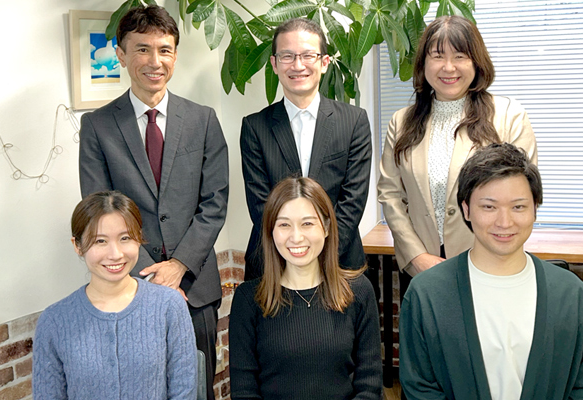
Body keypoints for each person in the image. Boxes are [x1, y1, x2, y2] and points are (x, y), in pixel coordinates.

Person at [78, 6, 228, 399]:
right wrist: (152, 276)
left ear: (175, 56)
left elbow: (215, 202)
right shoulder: (97, 127)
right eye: (142, 50)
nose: (154, 61)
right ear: (122, 55)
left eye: (164, 50)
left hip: (195, 289)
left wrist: (178, 267)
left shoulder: (204, 120)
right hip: (127, 286)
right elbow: (99, 211)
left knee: (197, 388)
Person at [399, 143, 583, 399]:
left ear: (535, 208)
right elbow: (420, 389)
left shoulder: (570, 294)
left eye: (518, 207)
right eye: (489, 207)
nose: (504, 222)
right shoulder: (427, 294)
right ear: (466, 209)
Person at [378, 15, 537, 277]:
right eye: (438, 56)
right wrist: (416, 257)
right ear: (424, 63)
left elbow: (522, 197)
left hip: (489, 264)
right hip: (422, 271)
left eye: (460, 56)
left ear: (477, 61)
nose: (448, 67)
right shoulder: (402, 121)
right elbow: (391, 194)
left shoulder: (509, 116)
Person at [240, 18, 372, 280]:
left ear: (324, 63)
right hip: (274, 267)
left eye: (308, 55)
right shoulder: (255, 127)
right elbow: (261, 206)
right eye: (287, 56)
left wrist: (321, 255)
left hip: (340, 263)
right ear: (275, 64)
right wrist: (296, 255)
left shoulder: (354, 121)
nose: (298, 65)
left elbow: (352, 201)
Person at [33, 191, 197, 400]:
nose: (116, 254)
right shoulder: (54, 320)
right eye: (100, 241)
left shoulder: (168, 305)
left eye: (125, 238)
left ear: (139, 239)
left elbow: (184, 390)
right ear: (77, 245)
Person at [229, 177, 382, 400]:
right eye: (284, 225)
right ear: (271, 231)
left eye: (307, 223)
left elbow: (369, 385)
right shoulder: (248, 299)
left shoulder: (359, 292)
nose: (296, 237)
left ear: (327, 227)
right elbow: (244, 392)